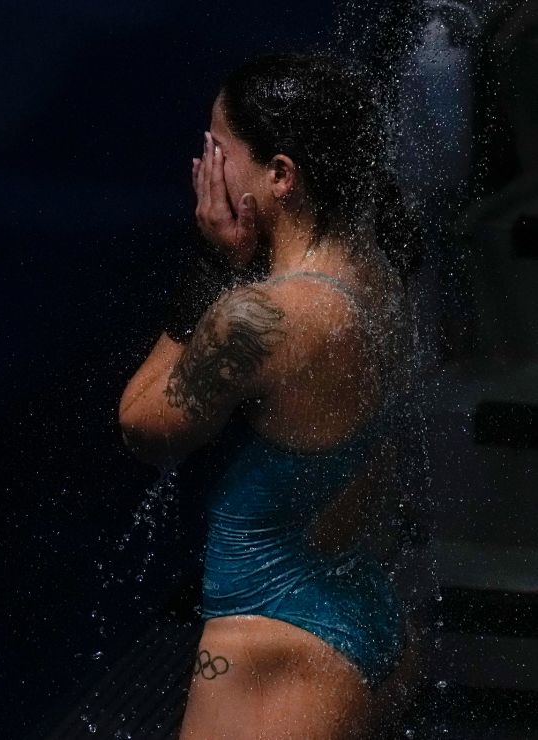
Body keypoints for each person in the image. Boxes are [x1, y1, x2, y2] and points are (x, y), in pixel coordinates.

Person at [117, 53, 427, 737]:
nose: (208, 174)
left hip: (275, 644)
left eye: (218, 153)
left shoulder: (259, 320)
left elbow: (143, 427)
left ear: (280, 174)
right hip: (364, 611)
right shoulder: (379, 273)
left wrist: (211, 266)